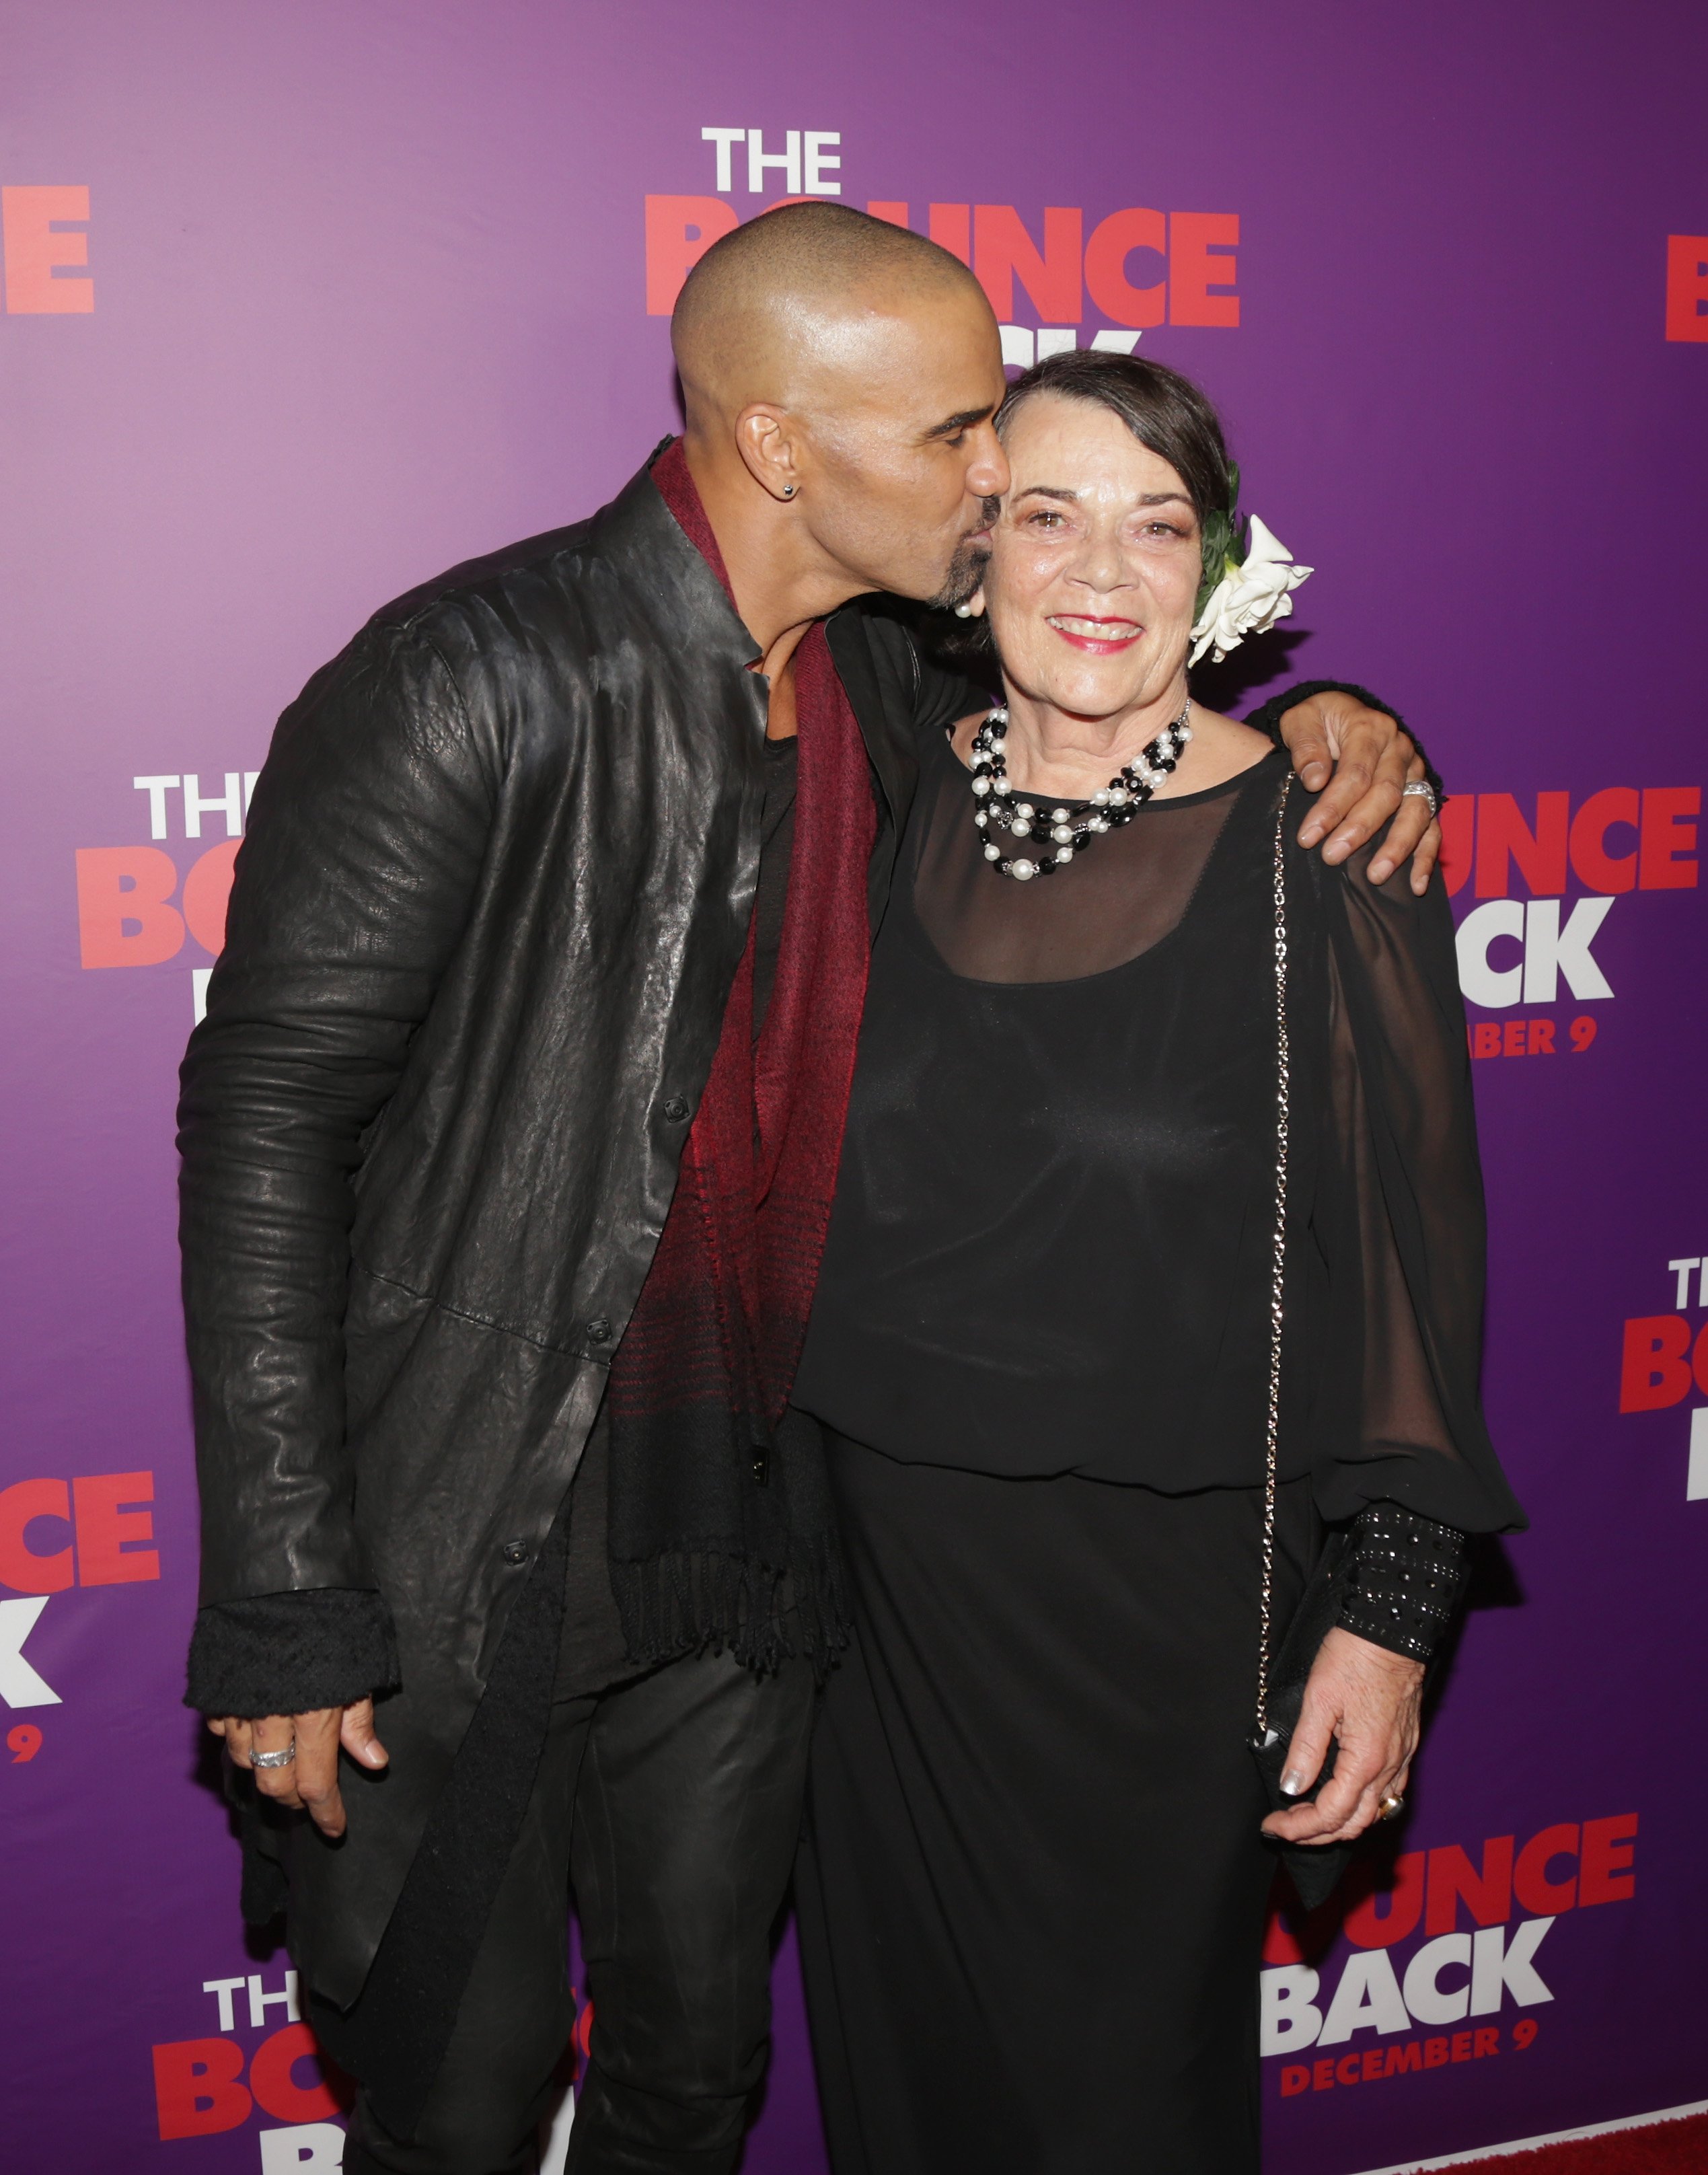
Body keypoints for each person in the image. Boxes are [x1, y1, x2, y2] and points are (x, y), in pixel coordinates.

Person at [178, 207, 1435, 2175]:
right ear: (779, 446)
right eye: (956, 440)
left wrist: (1355, 732)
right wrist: (282, 1595)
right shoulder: (468, 675)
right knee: (462, 2085)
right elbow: (264, 1110)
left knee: (698, 2074)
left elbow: (1138, 771)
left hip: (764, 1541)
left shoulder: (885, 683)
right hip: (481, 1519)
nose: (993, 475)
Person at [790, 346, 1525, 2175]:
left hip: (1159, 1599)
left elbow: (1415, 1255)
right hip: (868, 1585)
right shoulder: (880, 781)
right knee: (907, 2073)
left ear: (1217, 567)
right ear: (970, 557)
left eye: (1155, 522)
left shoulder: (1327, 837)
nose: (1099, 570)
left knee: (1116, 2093)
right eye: (1046, 516)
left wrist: (1391, 1612)